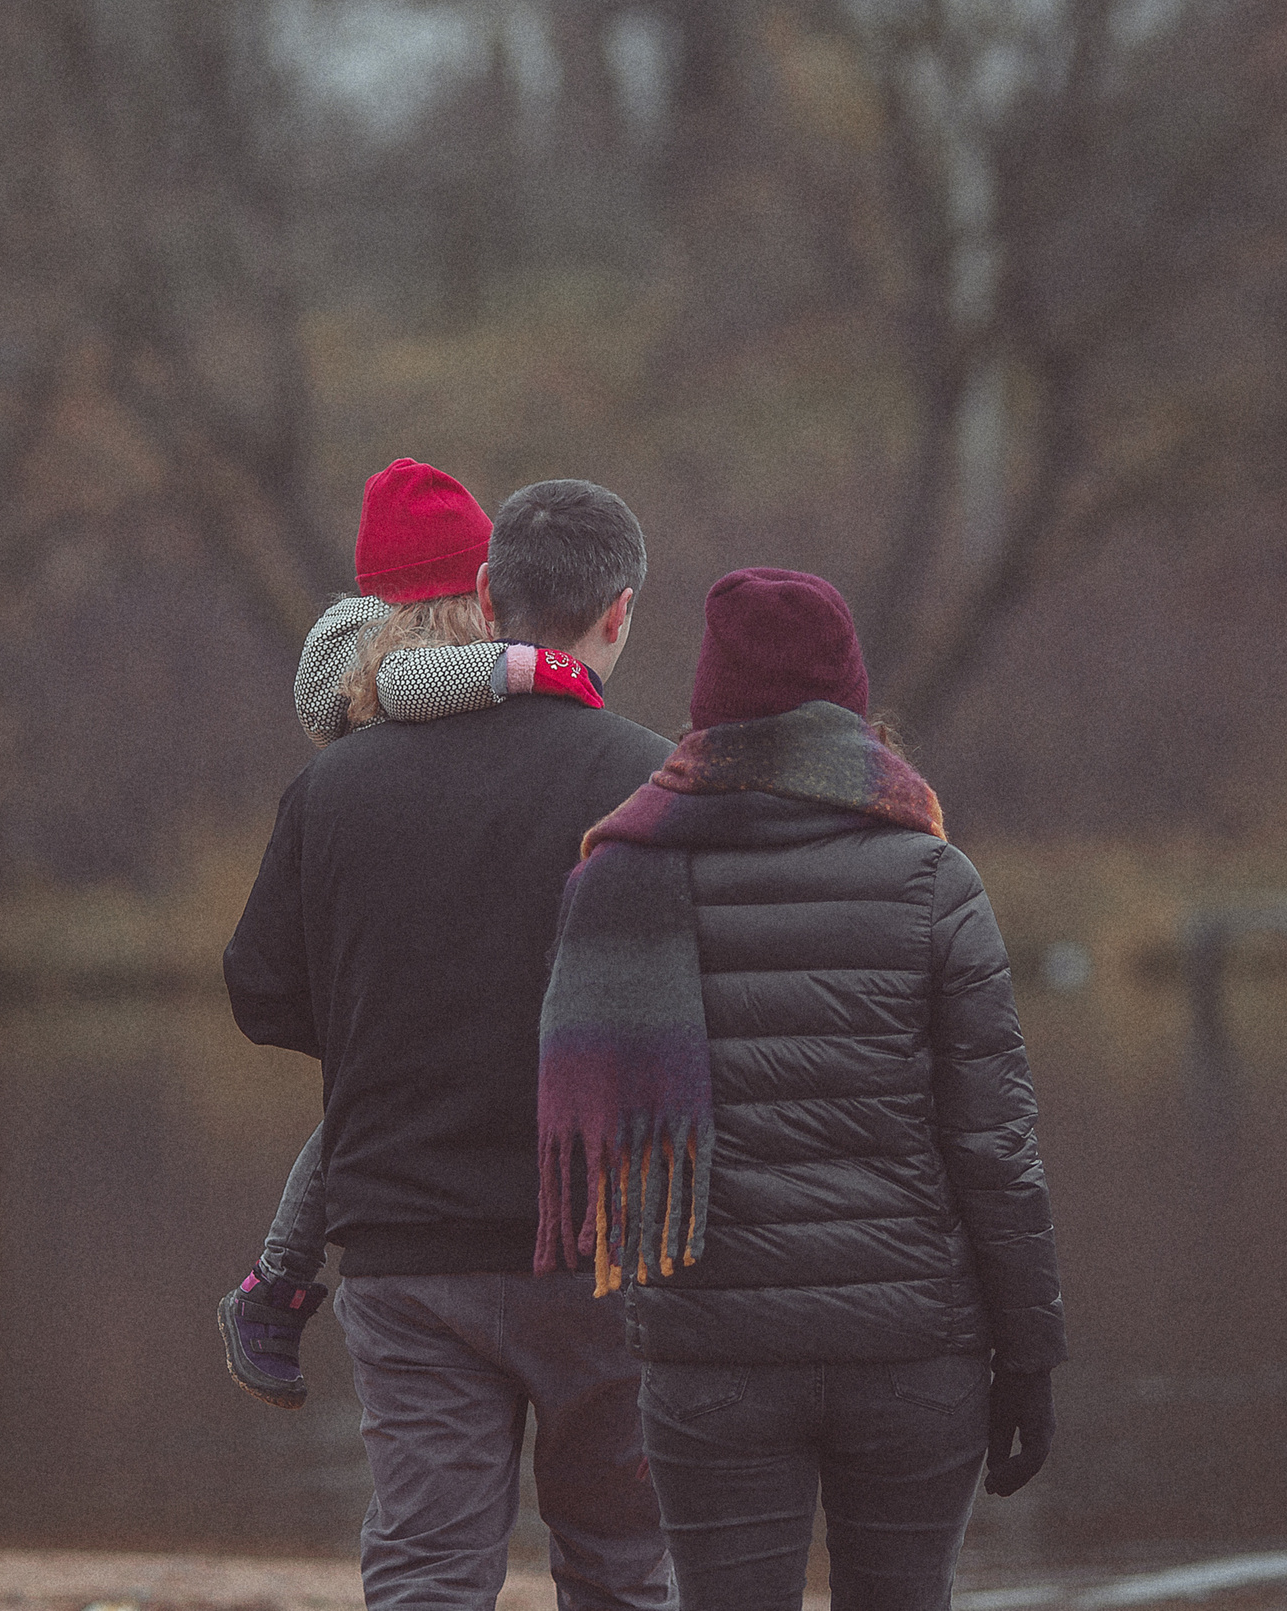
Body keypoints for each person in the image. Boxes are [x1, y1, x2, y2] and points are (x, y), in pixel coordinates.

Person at [535, 567, 1065, 1611]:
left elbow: (589, 1141)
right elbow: (995, 1149)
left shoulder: (619, 875)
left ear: (707, 707)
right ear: (849, 701)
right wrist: (1030, 1357)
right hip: (914, 1347)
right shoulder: (929, 879)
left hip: (711, 1355)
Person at [224, 478, 676, 1611]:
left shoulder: (331, 787)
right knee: (624, 1568)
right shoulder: (644, 781)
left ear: (487, 592)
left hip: (404, 1243)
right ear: (617, 613)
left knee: (427, 1569)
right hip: (603, 1244)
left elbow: (260, 995)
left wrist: (390, 1022)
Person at [219, 457, 604, 1411]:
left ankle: (275, 1284)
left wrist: (372, 1027)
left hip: (406, 1210)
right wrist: (539, 666)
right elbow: (429, 677)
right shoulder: (402, 666)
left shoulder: (362, 669)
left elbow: (258, 985)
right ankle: (273, 1280)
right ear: (478, 589)